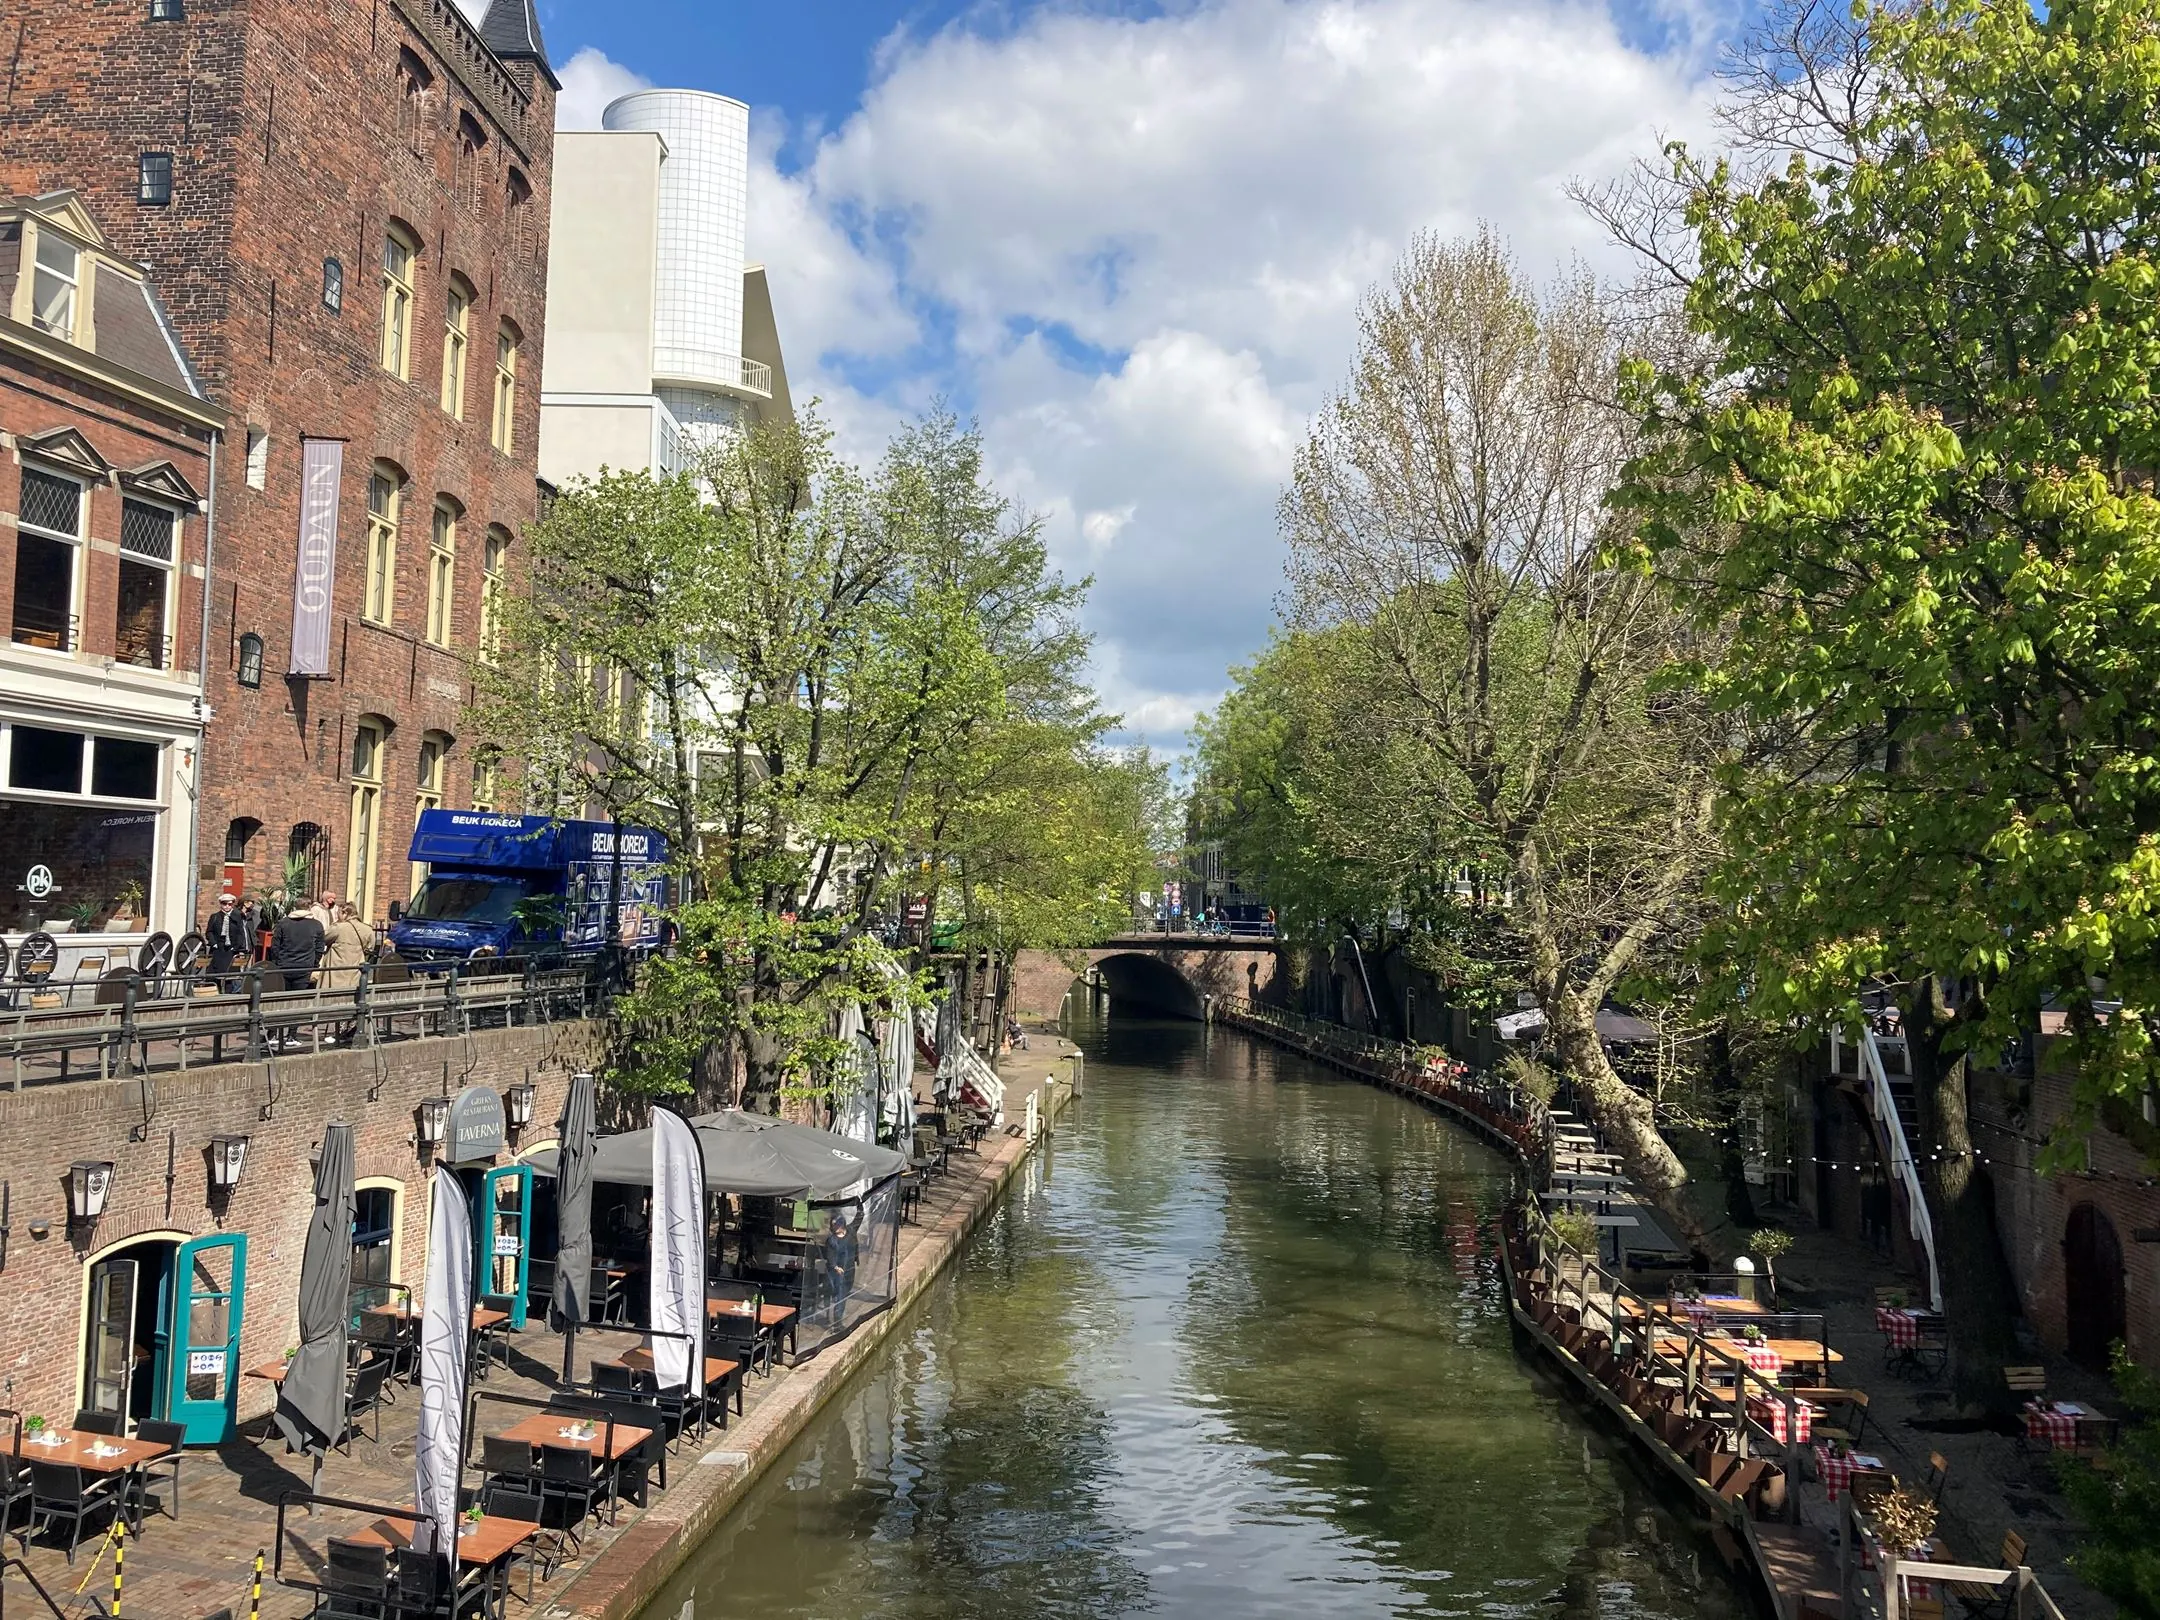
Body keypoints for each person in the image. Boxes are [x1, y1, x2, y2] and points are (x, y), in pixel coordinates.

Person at [269, 905, 325, 994]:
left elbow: (275, 946)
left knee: (282, 997)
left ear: (294, 908)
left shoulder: (283, 923)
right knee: (299, 998)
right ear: (309, 908)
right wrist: (315, 965)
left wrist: (276, 962)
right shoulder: (316, 925)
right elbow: (319, 949)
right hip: (305, 967)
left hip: (284, 966)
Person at [319, 899, 372, 991]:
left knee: (331, 996)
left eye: (338, 913)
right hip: (356, 970)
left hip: (336, 971)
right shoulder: (368, 929)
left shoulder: (338, 927)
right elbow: (370, 948)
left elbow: (324, 938)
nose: (337, 916)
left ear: (344, 913)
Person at [204, 892, 251, 991]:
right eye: (224, 904)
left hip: (231, 950)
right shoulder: (215, 917)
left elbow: (241, 933)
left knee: (229, 975)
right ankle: (215, 992)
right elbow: (209, 932)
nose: (227, 906)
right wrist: (214, 944)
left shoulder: (237, 916)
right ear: (221, 904)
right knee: (215, 975)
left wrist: (236, 947)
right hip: (218, 950)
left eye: (229, 904)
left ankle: (228, 994)